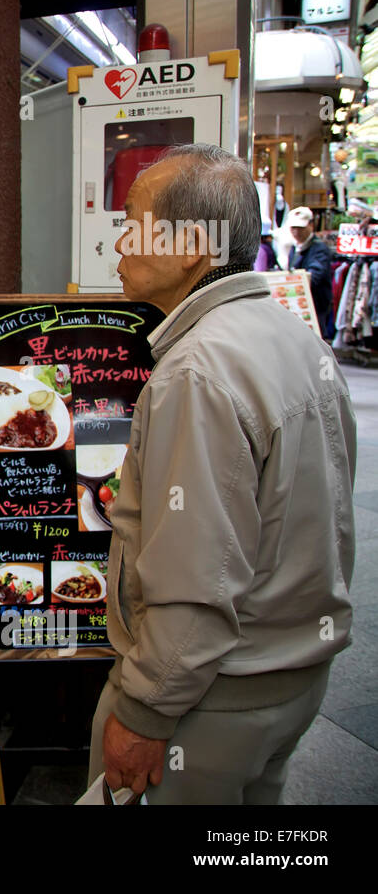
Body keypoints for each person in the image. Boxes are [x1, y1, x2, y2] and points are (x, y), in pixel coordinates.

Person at [90, 143, 357, 803]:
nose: (119, 242)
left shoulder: (197, 370)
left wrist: (144, 711)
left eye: (132, 221)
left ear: (190, 248)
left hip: (208, 703)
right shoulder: (295, 336)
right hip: (291, 682)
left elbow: (195, 583)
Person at [286, 206, 337, 340]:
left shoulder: (319, 249)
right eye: (293, 228)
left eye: (301, 228)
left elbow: (314, 277)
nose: (296, 232)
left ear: (311, 226)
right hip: (297, 305)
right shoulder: (294, 248)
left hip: (315, 307)